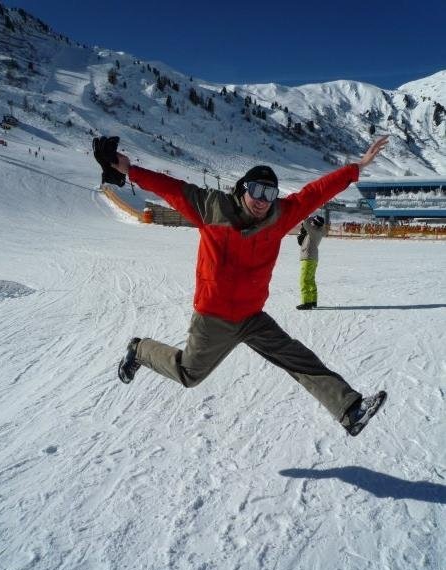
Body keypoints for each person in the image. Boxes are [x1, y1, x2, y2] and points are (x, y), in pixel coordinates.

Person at [106, 135, 389, 437]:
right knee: (188, 374)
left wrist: (356, 167)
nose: (262, 200)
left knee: (297, 357)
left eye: (270, 193)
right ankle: (139, 350)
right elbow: (170, 188)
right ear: (243, 189)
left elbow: (316, 192)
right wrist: (129, 170)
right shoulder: (211, 207)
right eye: (256, 190)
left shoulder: (280, 216)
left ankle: (350, 410)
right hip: (213, 318)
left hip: (252, 316)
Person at [296, 214, 326, 310]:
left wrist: (308, 215)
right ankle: (313, 300)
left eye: (313, 222)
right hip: (312, 258)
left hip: (308, 257)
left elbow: (306, 223)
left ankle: (306, 302)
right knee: (310, 280)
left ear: (315, 223)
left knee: (304, 280)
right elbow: (301, 240)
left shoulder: (314, 231)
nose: (312, 223)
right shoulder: (318, 231)